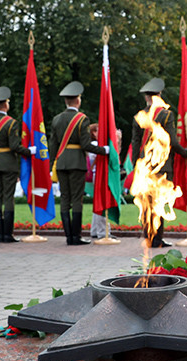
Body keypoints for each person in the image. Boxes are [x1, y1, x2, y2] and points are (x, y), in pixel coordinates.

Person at [129, 78, 187, 248]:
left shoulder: (138, 116)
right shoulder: (166, 115)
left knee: (146, 202)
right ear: (159, 95)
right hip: (162, 165)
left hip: (143, 165)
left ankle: (148, 237)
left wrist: (136, 163)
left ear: (146, 97)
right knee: (159, 201)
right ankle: (157, 239)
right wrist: (186, 153)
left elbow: (135, 143)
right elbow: (172, 142)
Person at [49, 81, 108, 246]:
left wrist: (51, 165)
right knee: (76, 199)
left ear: (66, 101)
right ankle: (76, 236)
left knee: (65, 198)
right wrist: (103, 150)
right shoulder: (82, 119)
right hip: (77, 163)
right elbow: (86, 145)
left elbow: (53, 145)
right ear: (78, 100)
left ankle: (68, 237)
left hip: (61, 163)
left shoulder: (56, 119)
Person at [0, 86, 33, 244]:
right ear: (5, 104)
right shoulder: (11, 123)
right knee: (8, 198)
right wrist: (29, 151)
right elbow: (14, 146)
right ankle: (8, 235)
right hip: (8, 164)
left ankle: (0, 234)